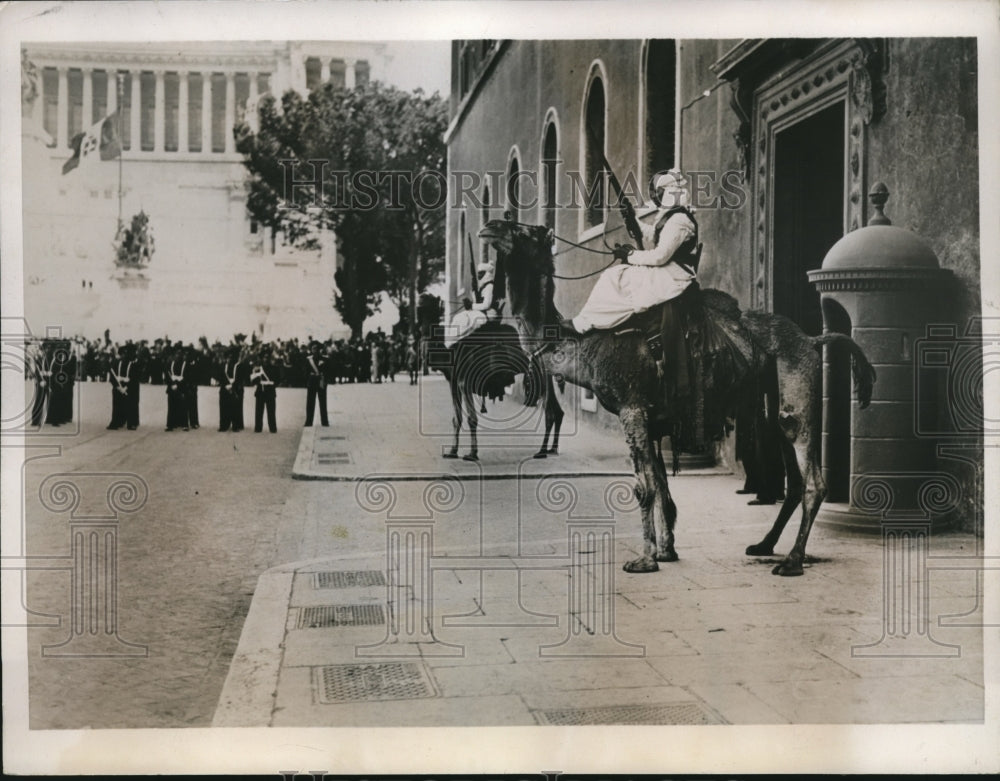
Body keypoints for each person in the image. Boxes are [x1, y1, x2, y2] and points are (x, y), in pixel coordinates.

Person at [570, 169, 698, 334]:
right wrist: (632, 219)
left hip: (675, 275)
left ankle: (586, 323)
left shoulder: (678, 220)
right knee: (617, 275)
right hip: (670, 270)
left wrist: (630, 256)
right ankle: (588, 320)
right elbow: (654, 234)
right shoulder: (674, 217)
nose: (656, 197)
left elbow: (660, 257)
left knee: (615, 277)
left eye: (659, 193)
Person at [107, 343, 140, 430]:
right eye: (123, 354)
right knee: (117, 405)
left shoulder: (134, 365)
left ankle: (132, 423)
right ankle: (116, 422)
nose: (124, 356)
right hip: (118, 388)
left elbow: (135, 378)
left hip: (130, 388)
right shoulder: (116, 363)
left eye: (126, 353)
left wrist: (126, 387)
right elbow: (112, 377)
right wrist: (118, 387)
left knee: (131, 405)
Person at [250, 344, 280, 433]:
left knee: (271, 411)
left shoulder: (274, 368)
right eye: (264, 357)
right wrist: (258, 382)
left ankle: (273, 428)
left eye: (267, 357)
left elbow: (278, 378)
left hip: (270, 391)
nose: (266, 359)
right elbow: (253, 380)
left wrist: (272, 384)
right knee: (259, 411)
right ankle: (258, 428)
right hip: (260, 391)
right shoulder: (258, 368)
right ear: (262, 358)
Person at [216, 345, 246, 432]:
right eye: (228, 357)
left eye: (231, 357)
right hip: (224, 389)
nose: (229, 359)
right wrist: (225, 385)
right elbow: (220, 376)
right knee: (223, 407)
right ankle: (224, 425)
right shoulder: (223, 366)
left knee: (235, 408)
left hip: (235, 389)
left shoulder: (239, 366)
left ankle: (235, 425)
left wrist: (233, 386)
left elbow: (240, 378)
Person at [304, 341, 329, 426]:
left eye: (317, 348)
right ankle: (309, 421)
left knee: (323, 402)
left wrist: (325, 380)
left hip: (321, 380)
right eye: (313, 348)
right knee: (310, 402)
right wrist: (307, 381)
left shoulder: (324, 359)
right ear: (311, 350)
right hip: (312, 380)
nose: (315, 350)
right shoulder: (308, 359)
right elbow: (306, 372)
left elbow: (327, 371)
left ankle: (324, 421)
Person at [164, 344, 189, 431]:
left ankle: (184, 424)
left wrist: (178, 385)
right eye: (177, 353)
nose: (178, 355)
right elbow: (167, 375)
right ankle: (170, 424)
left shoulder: (186, 364)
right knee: (171, 406)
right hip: (172, 387)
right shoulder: (171, 363)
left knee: (183, 406)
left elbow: (187, 377)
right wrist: (172, 384)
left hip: (181, 388)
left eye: (180, 353)